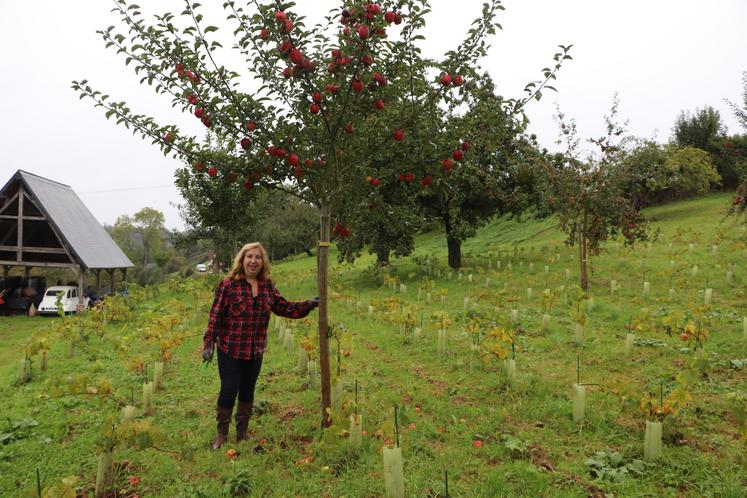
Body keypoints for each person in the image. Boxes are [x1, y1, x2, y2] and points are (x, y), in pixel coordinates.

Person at [202, 242, 318, 449]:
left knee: (248, 390)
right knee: (229, 389)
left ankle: (242, 432)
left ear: (262, 262)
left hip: (255, 350)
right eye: (249, 257)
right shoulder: (228, 285)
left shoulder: (267, 287)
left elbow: (284, 307)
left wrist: (307, 304)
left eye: (257, 257)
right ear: (242, 260)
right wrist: (209, 343)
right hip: (231, 348)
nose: (253, 261)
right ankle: (221, 434)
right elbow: (215, 316)